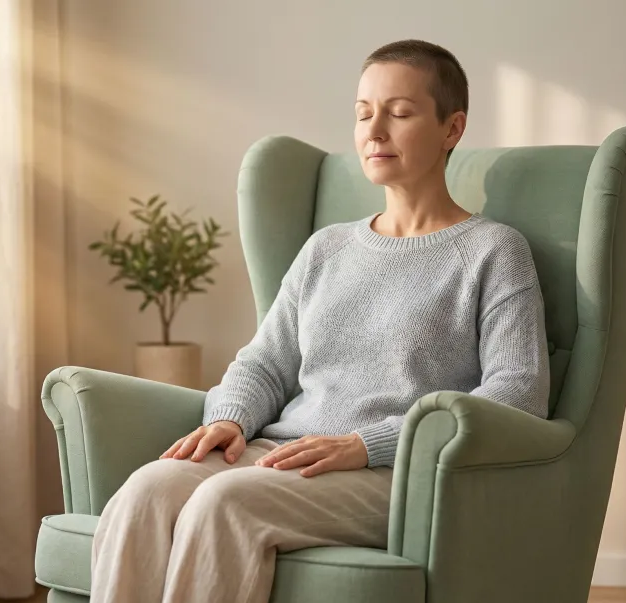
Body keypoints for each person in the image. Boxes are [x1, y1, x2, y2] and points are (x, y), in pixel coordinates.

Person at [90, 39, 551, 603]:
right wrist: (233, 419)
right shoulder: (326, 249)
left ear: (451, 129)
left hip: (394, 475)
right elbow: (264, 360)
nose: (374, 130)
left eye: (399, 112)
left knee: (224, 503)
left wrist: (368, 444)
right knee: (147, 490)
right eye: (363, 113)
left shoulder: (493, 251)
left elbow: (519, 393)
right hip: (281, 452)